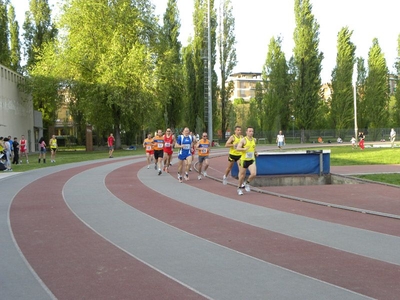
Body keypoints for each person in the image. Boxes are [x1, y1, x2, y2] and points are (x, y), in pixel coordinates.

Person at [236, 127, 258, 195]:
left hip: (251, 159)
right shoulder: (243, 140)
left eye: (252, 131)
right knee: (242, 175)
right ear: (246, 132)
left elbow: (254, 148)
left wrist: (255, 153)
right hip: (244, 160)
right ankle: (239, 188)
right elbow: (237, 148)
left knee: (254, 174)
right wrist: (244, 149)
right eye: (250, 131)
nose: (251, 132)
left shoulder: (254, 140)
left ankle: (246, 183)